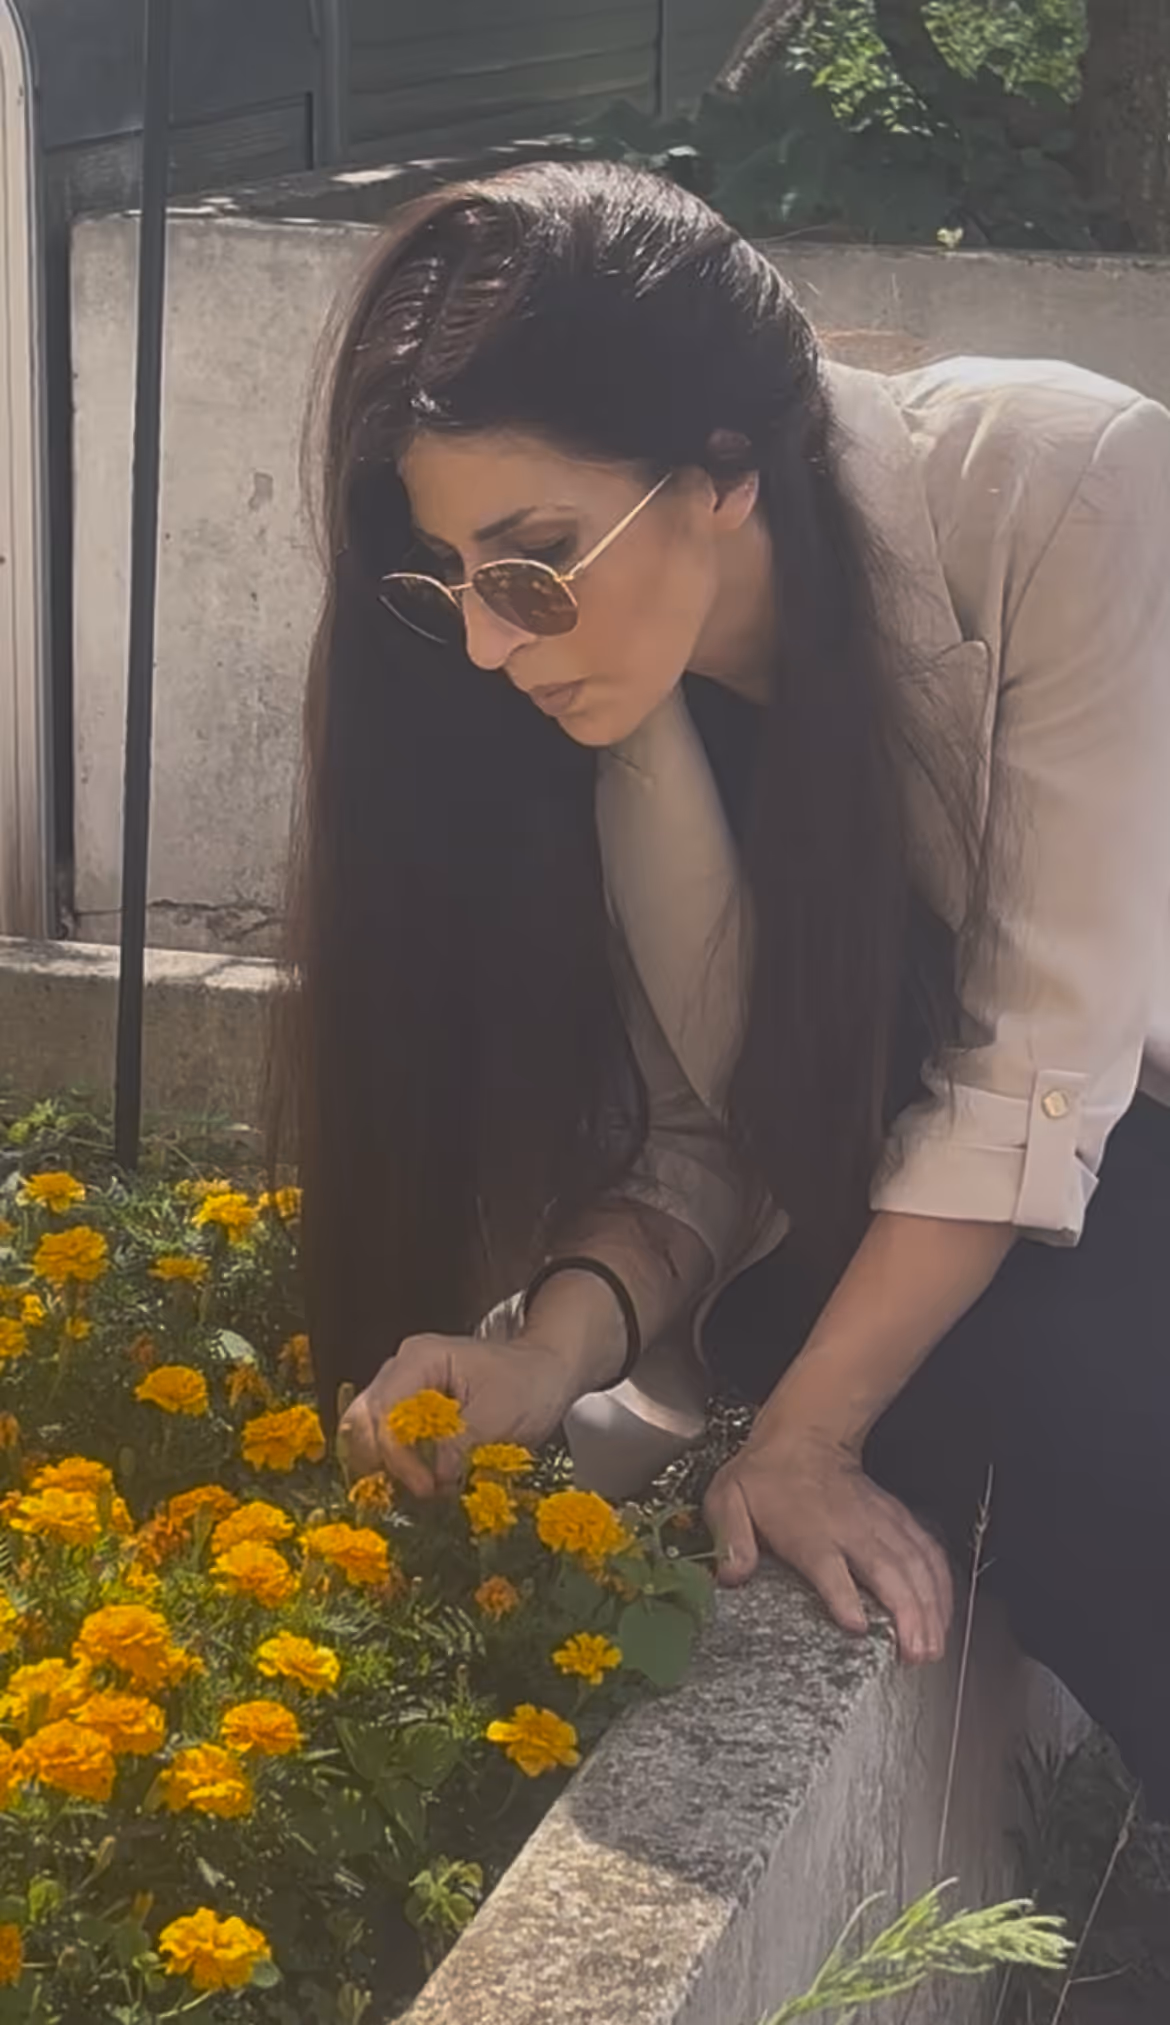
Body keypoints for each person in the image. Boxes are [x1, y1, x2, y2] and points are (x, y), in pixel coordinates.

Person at [280, 159, 1170, 1814]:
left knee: (1065, 1392)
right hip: (909, 1238)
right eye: (452, 575)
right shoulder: (598, 707)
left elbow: (1040, 1071)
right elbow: (706, 1136)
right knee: (948, 1370)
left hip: (1125, 1130)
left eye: (531, 559)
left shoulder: (1059, 482)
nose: (486, 641)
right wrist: (549, 1354)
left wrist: (809, 1437)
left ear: (722, 472)